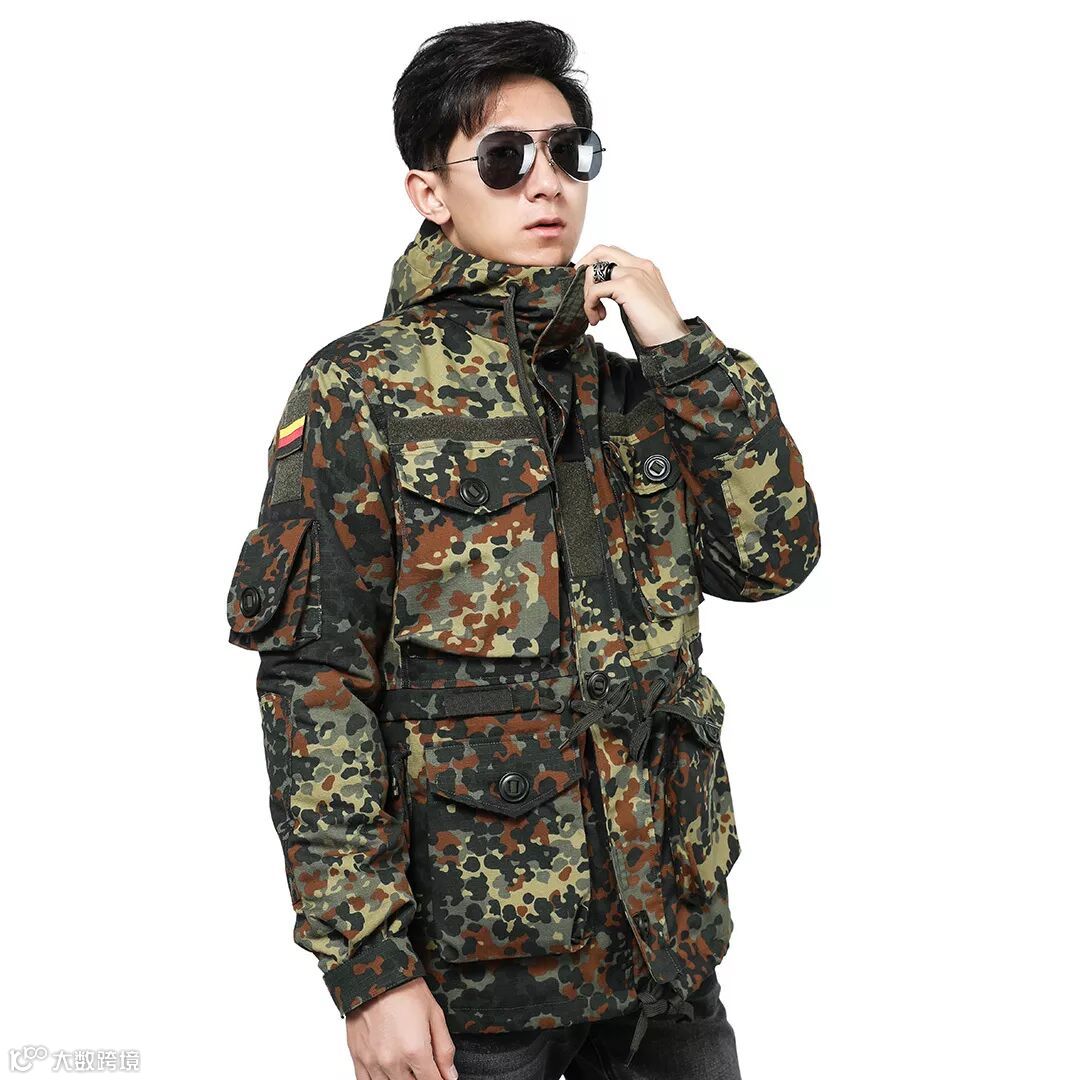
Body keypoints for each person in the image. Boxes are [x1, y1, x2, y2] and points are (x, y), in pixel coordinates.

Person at [225, 19, 820, 1080]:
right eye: (504, 157)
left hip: (666, 967)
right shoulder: (362, 387)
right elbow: (316, 684)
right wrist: (370, 969)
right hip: (478, 990)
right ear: (430, 192)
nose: (546, 183)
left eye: (569, 152)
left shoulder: (635, 388)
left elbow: (771, 557)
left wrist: (680, 349)